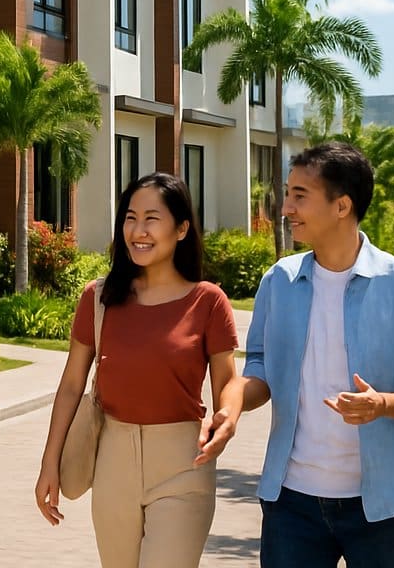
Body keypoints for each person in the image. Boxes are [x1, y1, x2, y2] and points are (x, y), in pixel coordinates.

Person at [220, 142, 394, 568]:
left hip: (382, 506)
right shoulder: (279, 281)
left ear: (342, 206)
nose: (285, 208)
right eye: (287, 193)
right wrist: (233, 402)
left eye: (300, 196)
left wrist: (382, 404)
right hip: (291, 502)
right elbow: (258, 367)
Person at [36, 172, 242, 568]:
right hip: (112, 460)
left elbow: (228, 381)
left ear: (181, 229)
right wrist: (50, 463)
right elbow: (70, 386)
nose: (138, 230)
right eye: (130, 218)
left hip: (184, 463)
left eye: (152, 218)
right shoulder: (98, 298)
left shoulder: (208, 302)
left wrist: (227, 416)